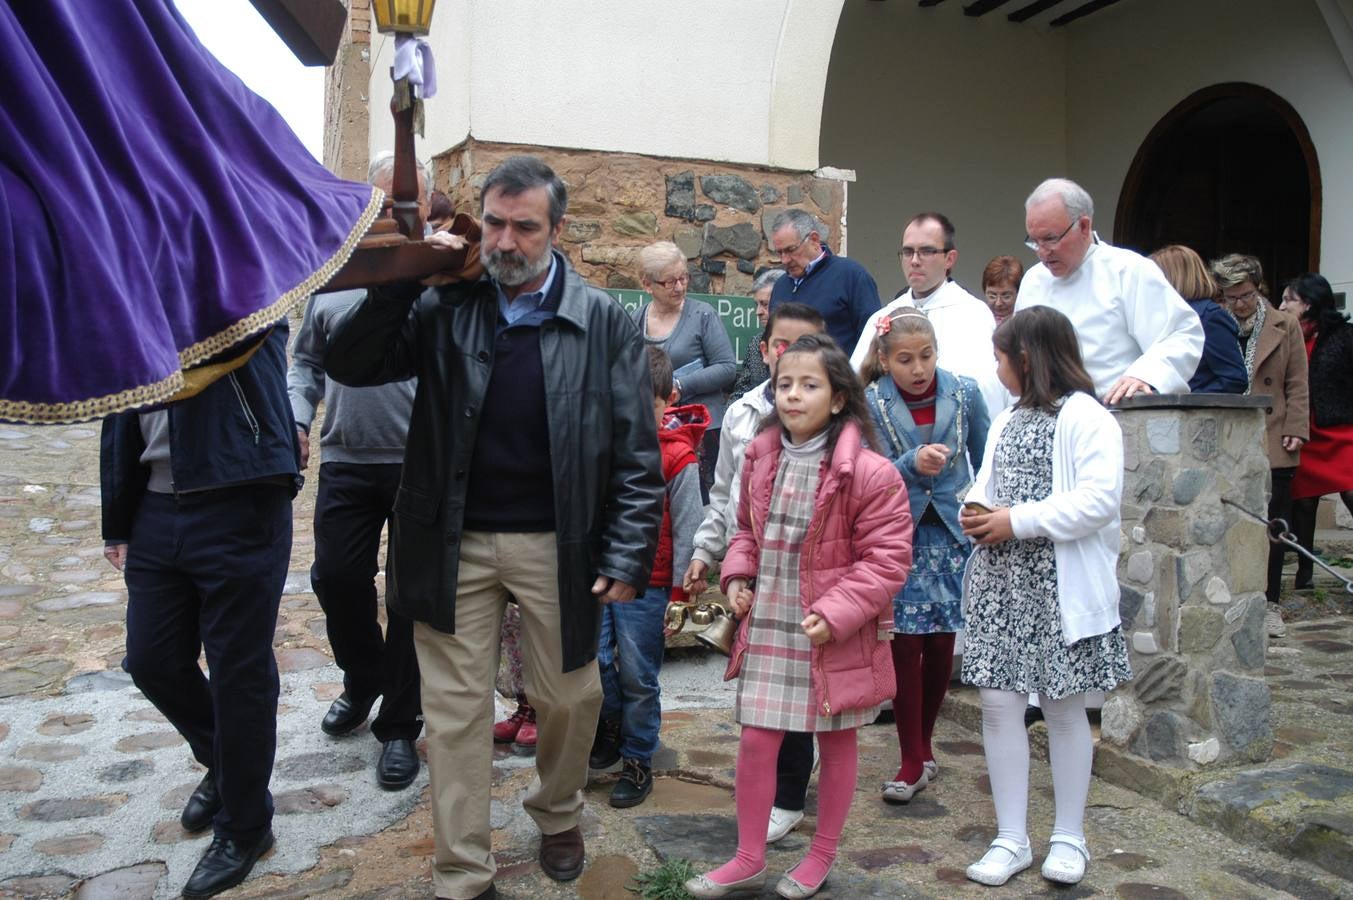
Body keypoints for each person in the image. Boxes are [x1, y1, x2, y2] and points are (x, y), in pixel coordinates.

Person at [324, 155, 664, 900]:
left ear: (557, 229)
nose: (507, 242)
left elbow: (638, 452)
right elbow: (348, 361)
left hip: (559, 544)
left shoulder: (602, 318)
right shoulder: (446, 304)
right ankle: (462, 872)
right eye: (498, 223)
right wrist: (408, 277)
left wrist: (628, 547)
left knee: (572, 697)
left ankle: (554, 810)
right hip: (450, 542)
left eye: (525, 227)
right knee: (453, 714)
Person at [684, 334, 912, 899]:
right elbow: (745, 532)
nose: (792, 395)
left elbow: (887, 560)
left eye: (808, 385)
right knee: (757, 740)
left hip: (833, 630)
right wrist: (736, 577)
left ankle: (821, 855)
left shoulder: (871, 472)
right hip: (771, 622)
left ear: (838, 399)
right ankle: (748, 856)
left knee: (835, 743)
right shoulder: (761, 455)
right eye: (784, 384)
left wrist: (836, 614)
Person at [101, 325, 300, 897]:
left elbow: (238, 327)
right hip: (156, 507)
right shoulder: (131, 295)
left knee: (239, 672)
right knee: (151, 660)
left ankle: (244, 827)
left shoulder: (239, 274)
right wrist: (118, 517)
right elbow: (118, 406)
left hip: (240, 497)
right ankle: (227, 764)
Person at [959, 307, 1131, 888]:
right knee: (998, 706)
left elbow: (1098, 500)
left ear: (1027, 358)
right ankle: (1011, 838)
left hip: (1059, 589)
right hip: (1002, 587)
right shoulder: (1009, 419)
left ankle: (1069, 836)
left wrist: (1017, 521)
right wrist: (977, 507)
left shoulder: (1087, 417)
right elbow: (989, 480)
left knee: (1062, 708)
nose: (996, 367)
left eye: (1001, 356)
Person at [286, 152, 430, 790]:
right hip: (346, 455)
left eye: (412, 201)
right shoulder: (332, 271)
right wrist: (296, 417)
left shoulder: (439, 272)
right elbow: (305, 361)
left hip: (421, 461)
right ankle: (363, 675)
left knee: (408, 599)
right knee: (337, 578)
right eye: (388, 200)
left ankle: (400, 725)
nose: (401, 211)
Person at [682, 302, 829, 845]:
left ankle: (790, 796)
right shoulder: (743, 414)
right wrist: (705, 552)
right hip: (756, 572)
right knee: (763, 690)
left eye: (807, 347)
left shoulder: (838, 422)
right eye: (782, 347)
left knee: (801, 691)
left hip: (813, 577)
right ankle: (770, 789)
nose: (791, 358)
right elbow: (725, 497)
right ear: (765, 350)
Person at [859, 308, 989, 803]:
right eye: (906, 360)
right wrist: (909, 463)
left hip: (953, 533)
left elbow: (986, 455)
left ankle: (926, 746)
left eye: (927, 356)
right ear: (886, 360)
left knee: (940, 646)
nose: (918, 369)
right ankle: (910, 756)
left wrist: (982, 508)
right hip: (900, 533)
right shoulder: (872, 401)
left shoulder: (965, 392)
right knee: (903, 645)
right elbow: (866, 468)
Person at [591, 348, 707, 807]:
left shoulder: (677, 457)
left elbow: (687, 525)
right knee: (595, 662)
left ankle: (638, 757)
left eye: (650, 404)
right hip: (600, 579)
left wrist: (680, 592)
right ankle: (612, 722)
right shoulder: (601, 447)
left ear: (668, 399)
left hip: (651, 584)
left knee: (640, 674)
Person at [1015, 178, 1204, 405]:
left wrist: (1145, 374)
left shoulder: (1128, 270)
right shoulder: (1033, 280)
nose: (1042, 252)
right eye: (1034, 241)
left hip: (1114, 415)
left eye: (1050, 239)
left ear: (1083, 226)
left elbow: (1181, 333)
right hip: (1046, 418)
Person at [1211, 254, 1308, 631]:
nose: (1239, 304)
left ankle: (1270, 602)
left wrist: (1297, 427)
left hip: (1274, 430)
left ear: (1259, 288)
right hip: (1228, 434)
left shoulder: (1285, 324)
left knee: (1275, 522)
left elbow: (1297, 381)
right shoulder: (1213, 322)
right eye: (1231, 297)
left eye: (1246, 296)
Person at [849, 213, 1005, 417]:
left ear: (950, 258)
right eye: (907, 252)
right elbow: (855, 388)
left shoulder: (973, 314)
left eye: (926, 251)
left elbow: (984, 390)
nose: (914, 260)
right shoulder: (883, 317)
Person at [632, 241, 736, 498]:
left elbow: (727, 368)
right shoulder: (636, 319)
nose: (680, 287)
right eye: (669, 282)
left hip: (700, 432)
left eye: (683, 278)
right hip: (653, 432)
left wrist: (680, 386)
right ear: (647, 285)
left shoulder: (703, 315)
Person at [1281, 273, 1353, 591]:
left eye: (1288, 300)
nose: (1281, 305)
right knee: (1305, 503)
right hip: (1306, 432)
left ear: (1308, 304)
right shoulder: (1285, 334)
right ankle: (1305, 574)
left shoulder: (1345, 335)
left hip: (1342, 431)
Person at [767, 208, 881, 353]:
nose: (785, 260)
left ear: (814, 240)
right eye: (780, 252)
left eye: (791, 250)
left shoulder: (851, 275)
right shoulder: (780, 285)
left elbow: (872, 340)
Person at [1148, 245, 1247, 394]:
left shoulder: (1209, 316)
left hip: (1196, 414)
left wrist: (1187, 397)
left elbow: (1234, 379)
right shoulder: (1166, 315)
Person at [729, 268, 785, 401]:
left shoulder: (804, 343)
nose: (758, 312)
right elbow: (741, 391)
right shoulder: (756, 343)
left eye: (765, 304)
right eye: (757, 304)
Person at [982, 256, 1024, 326]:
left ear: (1019, 293)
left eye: (1006, 296)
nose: (998, 303)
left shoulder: (1027, 323)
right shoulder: (976, 319)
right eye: (992, 296)